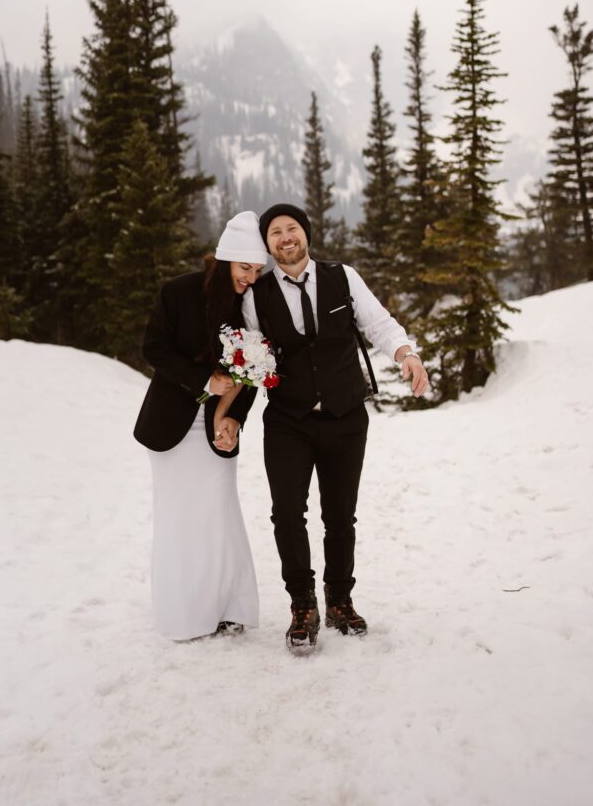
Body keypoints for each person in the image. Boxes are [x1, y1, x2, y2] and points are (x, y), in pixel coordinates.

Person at [241, 203, 429, 650]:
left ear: (305, 234)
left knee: (340, 516)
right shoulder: (256, 296)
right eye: (275, 234)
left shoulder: (342, 276)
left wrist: (406, 354)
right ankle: (302, 605)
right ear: (266, 246)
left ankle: (340, 599)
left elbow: (379, 323)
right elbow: (250, 360)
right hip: (288, 421)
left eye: (292, 229)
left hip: (345, 417)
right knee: (287, 514)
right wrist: (229, 416)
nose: (285, 238)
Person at [133, 211, 268, 640]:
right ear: (227, 258)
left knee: (220, 511)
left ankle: (230, 608)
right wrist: (203, 380)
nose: (250, 277)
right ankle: (186, 615)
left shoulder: (250, 305)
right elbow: (153, 348)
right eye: (245, 267)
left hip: (215, 428)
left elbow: (253, 371)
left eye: (257, 270)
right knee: (178, 516)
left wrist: (234, 417)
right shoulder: (177, 291)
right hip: (171, 422)